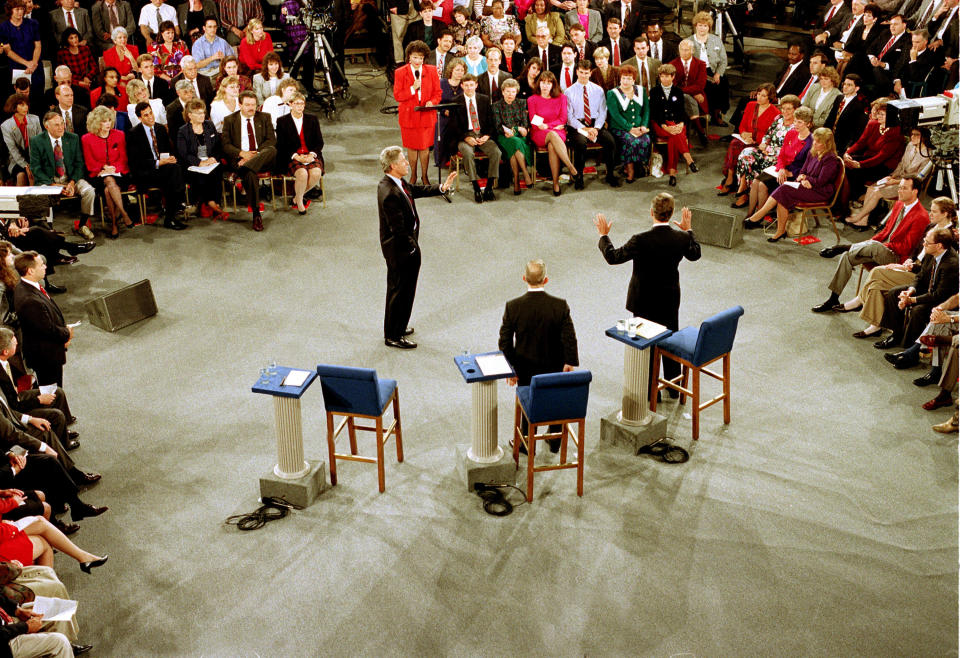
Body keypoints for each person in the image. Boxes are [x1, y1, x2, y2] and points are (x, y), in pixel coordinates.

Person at [594, 192, 701, 387]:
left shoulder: (640, 240)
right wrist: (689, 230)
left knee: (645, 344)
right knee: (670, 339)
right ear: (671, 213)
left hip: (643, 300)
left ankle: (651, 389)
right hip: (669, 298)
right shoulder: (681, 238)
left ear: (651, 212)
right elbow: (695, 254)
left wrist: (604, 236)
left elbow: (613, 257)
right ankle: (673, 385)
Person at [377, 146, 456, 349]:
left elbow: (416, 190)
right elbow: (398, 230)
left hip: (403, 247)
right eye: (403, 160)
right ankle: (394, 336)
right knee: (401, 291)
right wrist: (412, 249)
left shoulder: (396, 183)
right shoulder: (390, 193)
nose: (406, 163)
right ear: (393, 166)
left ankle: (397, 327)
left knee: (400, 290)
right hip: (401, 250)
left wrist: (442, 187)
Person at [811, 177, 929, 313]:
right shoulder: (898, 204)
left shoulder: (921, 216)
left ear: (915, 192)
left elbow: (906, 247)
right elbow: (886, 231)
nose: (899, 191)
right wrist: (868, 244)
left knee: (872, 246)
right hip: (879, 250)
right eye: (899, 187)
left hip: (898, 258)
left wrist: (878, 246)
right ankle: (833, 298)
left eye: (904, 188)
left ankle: (843, 246)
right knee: (846, 257)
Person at [498, 258, 579, 453]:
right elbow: (569, 336)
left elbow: (505, 342)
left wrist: (510, 370)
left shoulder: (513, 306)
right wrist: (570, 361)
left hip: (525, 369)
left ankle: (526, 441)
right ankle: (554, 438)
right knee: (555, 397)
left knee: (528, 399)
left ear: (524, 278)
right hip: (554, 367)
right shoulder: (559, 306)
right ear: (546, 280)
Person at [852, 197, 957, 337]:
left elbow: (930, 269)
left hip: (920, 276)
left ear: (945, 214)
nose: (930, 214)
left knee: (877, 272)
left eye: (934, 212)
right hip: (912, 267)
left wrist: (908, 267)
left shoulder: (949, 237)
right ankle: (876, 325)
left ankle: (859, 301)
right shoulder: (932, 226)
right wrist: (909, 260)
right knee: (876, 284)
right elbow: (917, 250)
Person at [745, 127, 843, 242]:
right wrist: (802, 177)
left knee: (784, 189)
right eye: (814, 140)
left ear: (827, 144)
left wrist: (806, 178)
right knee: (784, 193)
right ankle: (779, 230)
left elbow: (822, 181)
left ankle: (758, 217)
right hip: (807, 185)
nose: (814, 143)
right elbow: (803, 171)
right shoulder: (813, 152)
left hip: (820, 191)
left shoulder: (830, 159)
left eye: (818, 142)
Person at [875, 227, 958, 354]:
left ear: (939, 246)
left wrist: (912, 300)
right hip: (928, 289)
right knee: (894, 293)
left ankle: (909, 347)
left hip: (941, 300)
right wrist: (910, 291)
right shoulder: (931, 252)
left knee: (918, 310)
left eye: (927, 242)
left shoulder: (951, 264)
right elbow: (920, 275)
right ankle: (896, 335)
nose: (924, 244)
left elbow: (938, 295)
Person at [845, 127, 931, 229]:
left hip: (909, 185)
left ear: (924, 138)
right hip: (898, 177)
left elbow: (918, 178)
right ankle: (863, 220)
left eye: (916, 135)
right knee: (871, 188)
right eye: (912, 134)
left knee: (877, 192)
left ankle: (858, 217)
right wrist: (892, 176)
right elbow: (901, 164)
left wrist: (896, 181)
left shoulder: (928, 155)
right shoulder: (910, 146)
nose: (912, 137)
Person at [745, 105, 814, 223]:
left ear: (808, 124)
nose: (796, 124)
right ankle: (750, 214)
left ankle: (758, 217)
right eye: (795, 121)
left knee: (762, 185)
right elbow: (781, 155)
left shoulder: (811, 142)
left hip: (795, 174)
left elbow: (808, 166)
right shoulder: (791, 133)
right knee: (756, 181)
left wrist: (791, 173)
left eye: (800, 122)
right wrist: (781, 168)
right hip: (782, 170)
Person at [29, 112, 96, 235]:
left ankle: (82, 224)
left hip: (70, 179)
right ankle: (48, 229)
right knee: (40, 194)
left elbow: (79, 164)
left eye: (62, 124)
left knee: (89, 191)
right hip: (49, 181)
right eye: (56, 125)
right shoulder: (36, 141)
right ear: (47, 126)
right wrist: (52, 185)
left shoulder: (73, 138)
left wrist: (71, 183)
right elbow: (35, 168)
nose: (61, 127)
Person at [11, 252, 70, 388]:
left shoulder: (28, 286)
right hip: (45, 355)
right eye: (41, 265)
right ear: (30, 270)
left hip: (46, 351)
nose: (45, 266)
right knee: (52, 392)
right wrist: (67, 333)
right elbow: (47, 329)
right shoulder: (29, 300)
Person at [221, 90, 276, 231]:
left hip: (260, 158)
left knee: (272, 150)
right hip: (240, 158)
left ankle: (245, 168)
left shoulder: (264, 117)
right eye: (247, 105)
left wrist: (253, 155)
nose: (251, 108)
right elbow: (225, 145)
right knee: (250, 174)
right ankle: (256, 215)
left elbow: (271, 140)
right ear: (240, 105)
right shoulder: (229, 120)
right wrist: (242, 153)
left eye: (253, 104)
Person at [717, 83, 780, 204]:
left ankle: (742, 190)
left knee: (742, 149)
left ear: (769, 98)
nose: (759, 97)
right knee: (735, 143)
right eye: (758, 94)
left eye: (763, 96)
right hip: (745, 138)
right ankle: (730, 178)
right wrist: (743, 133)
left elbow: (770, 134)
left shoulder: (775, 113)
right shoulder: (750, 105)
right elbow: (742, 125)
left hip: (759, 143)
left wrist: (754, 137)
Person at [127, 102, 186, 230]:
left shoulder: (160, 129)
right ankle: (175, 209)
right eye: (146, 115)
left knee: (175, 168)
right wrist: (159, 163)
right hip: (145, 172)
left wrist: (170, 158)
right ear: (139, 118)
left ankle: (171, 215)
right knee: (173, 175)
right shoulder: (133, 134)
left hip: (164, 169)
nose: (150, 117)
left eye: (151, 113)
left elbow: (166, 150)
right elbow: (136, 162)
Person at [81, 105, 132, 238]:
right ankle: (123, 214)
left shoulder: (119, 135)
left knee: (108, 189)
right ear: (96, 122)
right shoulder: (87, 139)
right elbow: (89, 162)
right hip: (98, 175)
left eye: (109, 120)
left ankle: (114, 224)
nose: (108, 123)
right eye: (104, 121)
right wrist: (104, 168)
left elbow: (123, 158)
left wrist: (114, 168)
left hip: (120, 174)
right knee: (108, 182)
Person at [840, 99, 904, 206]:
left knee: (854, 170)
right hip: (870, 158)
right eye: (878, 113)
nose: (878, 116)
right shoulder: (873, 124)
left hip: (884, 165)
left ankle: (853, 198)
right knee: (844, 164)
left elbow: (881, 157)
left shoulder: (896, 133)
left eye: (882, 114)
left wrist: (860, 165)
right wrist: (848, 153)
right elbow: (861, 143)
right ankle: (847, 198)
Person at [395, 40, 442, 186]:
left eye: (420, 58)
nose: (418, 61)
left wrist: (432, 102)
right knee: (412, 148)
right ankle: (413, 176)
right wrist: (412, 88)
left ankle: (425, 176)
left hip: (426, 116)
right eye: (415, 57)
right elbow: (398, 96)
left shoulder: (432, 71)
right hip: (409, 116)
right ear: (409, 56)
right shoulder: (400, 72)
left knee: (424, 148)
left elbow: (438, 93)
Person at [567, 60, 617, 188]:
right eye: (581, 72)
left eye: (586, 73)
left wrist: (596, 128)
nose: (583, 75)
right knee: (580, 143)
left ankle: (610, 174)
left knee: (610, 141)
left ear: (590, 73)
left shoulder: (598, 90)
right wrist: (583, 128)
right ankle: (579, 176)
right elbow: (569, 116)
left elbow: (602, 111)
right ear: (577, 72)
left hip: (595, 124)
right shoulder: (568, 92)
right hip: (578, 125)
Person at [177, 98, 228, 221]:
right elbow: (183, 154)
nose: (202, 115)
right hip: (193, 164)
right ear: (190, 115)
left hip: (210, 161)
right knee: (200, 176)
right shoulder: (183, 131)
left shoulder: (209, 125)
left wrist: (213, 158)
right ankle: (213, 205)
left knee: (215, 172)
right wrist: (200, 162)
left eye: (203, 112)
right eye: (198, 113)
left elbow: (217, 146)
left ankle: (211, 203)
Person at [453, 73, 501, 202]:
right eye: (466, 85)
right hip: (465, 136)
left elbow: (491, 121)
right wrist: (465, 138)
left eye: (471, 85)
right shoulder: (456, 101)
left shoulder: (484, 99)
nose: (469, 88)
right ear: (462, 86)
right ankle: (476, 188)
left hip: (482, 134)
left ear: (476, 85)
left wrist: (487, 136)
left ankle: (489, 187)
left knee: (496, 152)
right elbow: (454, 126)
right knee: (468, 154)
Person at [527, 70, 575, 195]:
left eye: (548, 83)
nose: (545, 85)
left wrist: (548, 125)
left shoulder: (561, 98)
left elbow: (563, 119)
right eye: (542, 82)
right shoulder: (532, 99)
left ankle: (555, 183)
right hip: (539, 132)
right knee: (552, 135)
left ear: (553, 85)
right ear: (539, 84)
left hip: (557, 133)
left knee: (552, 145)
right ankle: (569, 166)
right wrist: (551, 126)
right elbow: (534, 121)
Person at [649, 63, 697, 187]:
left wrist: (681, 124)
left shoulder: (678, 91)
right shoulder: (654, 91)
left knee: (673, 139)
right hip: (660, 125)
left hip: (677, 124)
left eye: (667, 76)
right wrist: (665, 126)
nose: (664, 79)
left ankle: (672, 174)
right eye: (662, 76)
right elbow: (655, 113)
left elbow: (681, 111)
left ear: (673, 77)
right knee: (677, 136)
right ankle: (689, 159)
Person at [276, 93, 323, 214]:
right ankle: (301, 203)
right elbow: (281, 145)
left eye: (302, 103)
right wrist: (296, 156)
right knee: (302, 174)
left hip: (310, 154)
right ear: (290, 105)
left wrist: (312, 155)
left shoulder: (312, 119)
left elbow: (319, 142)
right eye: (297, 103)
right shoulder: (282, 121)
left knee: (316, 173)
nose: (300, 106)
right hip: (292, 156)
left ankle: (297, 197)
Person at [605, 63, 649, 184]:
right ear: (620, 78)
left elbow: (646, 110)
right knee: (630, 141)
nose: (626, 80)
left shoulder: (641, 90)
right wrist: (630, 128)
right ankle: (630, 170)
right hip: (620, 128)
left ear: (633, 79)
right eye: (623, 78)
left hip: (639, 127)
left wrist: (644, 125)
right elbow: (615, 115)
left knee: (646, 140)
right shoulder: (612, 93)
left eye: (629, 78)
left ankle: (638, 165)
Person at [0, 0, 44, 113]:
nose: (20, 12)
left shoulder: (33, 23)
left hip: (35, 67)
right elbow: (8, 51)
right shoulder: (4, 26)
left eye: (22, 9)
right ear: (10, 11)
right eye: (17, 9)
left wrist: (33, 63)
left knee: (37, 99)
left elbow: (38, 45)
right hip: (17, 67)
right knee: (19, 101)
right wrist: (26, 63)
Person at [492, 77, 533, 194]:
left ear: (517, 92)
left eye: (513, 91)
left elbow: (524, 124)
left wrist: (519, 129)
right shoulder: (496, 106)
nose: (510, 94)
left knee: (515, 145)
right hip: (504, 136)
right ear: (503, 91)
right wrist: (516, 128)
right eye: (508, 91)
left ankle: (516, 182)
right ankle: (525, 173)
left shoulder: (521, 103)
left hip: (520, 136)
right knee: (515, 143)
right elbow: (498, 126)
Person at [690, 11, 728, 126]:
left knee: (723, 82)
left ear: (709, 27)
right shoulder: (688, 41)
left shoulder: (716, 40)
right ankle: (705, 114)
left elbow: (723, 60)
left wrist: (718, 74)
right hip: (696, 72)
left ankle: (717, 114)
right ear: (696, 26)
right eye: (700, 25)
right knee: (708, 86)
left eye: (705, 26)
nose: (702, 28)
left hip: (712, 70)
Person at [0, 95, 40, 187]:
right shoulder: (6, 126)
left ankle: (36, 199)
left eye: (26, 104)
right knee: (21, 175)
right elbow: (13, 150)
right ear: (14, 106)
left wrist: (34, 163)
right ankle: (20, 200)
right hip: (16, 160)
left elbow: (40, 143)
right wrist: (26, 166)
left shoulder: (35, 119)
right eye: (21, 105)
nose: (26, 107)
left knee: (35, 173)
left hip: (35, 157)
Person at [825, 73, 869, 155]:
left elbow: (857, 131)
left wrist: (848, 149)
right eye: (844, 84)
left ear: (856, 88)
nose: (845, 87)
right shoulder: (839, 98)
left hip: (842, 145)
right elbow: (830, 118)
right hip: (830, 139)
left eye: (849, 85)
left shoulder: (859, 106)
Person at [435, 58, 467, 168]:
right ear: (451, 70)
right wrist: (444, 111)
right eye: (457, 70)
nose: (459, 73)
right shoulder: (442, 83)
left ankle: (456, 156)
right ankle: (442, 160)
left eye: (462, 70)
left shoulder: (464, 85)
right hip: (443, 114)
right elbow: (436, 100)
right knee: (443, 126)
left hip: (459, 116)